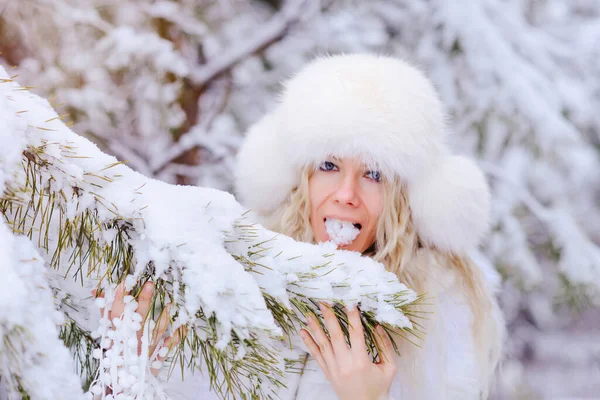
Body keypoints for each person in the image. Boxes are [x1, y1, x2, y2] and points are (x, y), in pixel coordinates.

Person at [110, 53, 505, 399]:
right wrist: (127, 373)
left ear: (405, 198)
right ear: (302, 179)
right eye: (329, 166)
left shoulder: (438, 313)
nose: (346, 194)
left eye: (373, 174)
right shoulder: (234, 278)